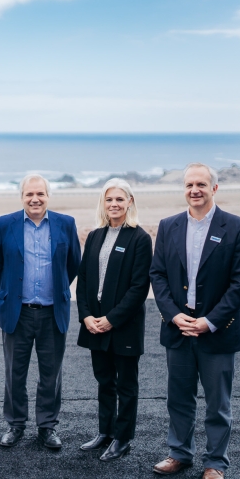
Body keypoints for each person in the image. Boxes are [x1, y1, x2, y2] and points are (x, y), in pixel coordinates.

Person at [150, 163, 240, 479]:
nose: (194, 190)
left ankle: (215, 463)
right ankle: (179, 453)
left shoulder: (237, 227)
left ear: (214, 188)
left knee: (218, 403)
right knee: (178, 399)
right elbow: (158, 275)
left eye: (201, 184)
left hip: (217, 330)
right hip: (179, 329)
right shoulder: (168, 226)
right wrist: (172, 314)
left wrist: (210, 321)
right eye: (189, 185)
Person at [0, 173, 81, 449]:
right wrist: (12, 290)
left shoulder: (66, 224)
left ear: (48, 196)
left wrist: (57, 289)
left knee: (51, 374)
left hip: (53, 312)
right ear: (22, 197)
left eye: (40, 194)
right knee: (14, 373)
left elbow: (73, 263)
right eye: (29, 194)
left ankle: (47, 426)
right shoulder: (5, 224)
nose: (35, 199)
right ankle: (16, 424)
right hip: (18, 312)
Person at [75, 178, 152, 461]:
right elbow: (83, 280)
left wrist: (111, 319)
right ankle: (105, 432)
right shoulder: (95, 236)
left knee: (126, 385)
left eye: (120, 199)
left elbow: (139, 288)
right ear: (103, 203)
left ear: (130, 202)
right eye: (109, 200)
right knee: (104, 380)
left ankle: (123, 438)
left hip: (124, 325)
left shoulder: (140, 238)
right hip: (95, 324)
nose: (114, 204)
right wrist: (86, 316)